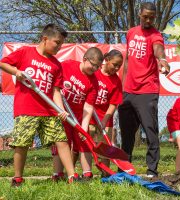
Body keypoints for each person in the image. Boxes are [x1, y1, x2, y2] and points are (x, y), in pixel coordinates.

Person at [0, 23, 79, 186]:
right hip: (26, 109)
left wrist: (61, 110)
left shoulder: (56, 65)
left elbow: (56, 91)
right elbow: (3, 63)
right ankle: (17, 178)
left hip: (49, 110)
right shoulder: (25, 53)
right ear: (45, 39)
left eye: (61, 44)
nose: (59, 46)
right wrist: (17, 72)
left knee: (62, 140)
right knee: (22, 143)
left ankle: (73, 177)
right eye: (57, 42)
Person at [118, 2, 170, 178]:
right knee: (126, 134)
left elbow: (158, 49)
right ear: (139, 14)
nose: (148, 20)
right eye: (145, 16)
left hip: (147, 90)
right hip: (128, 91)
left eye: (152, 17)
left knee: (150, 131)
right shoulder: (131, 32)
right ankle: (124, 168)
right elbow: (127, 60)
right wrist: (123, 87)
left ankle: (151, 170)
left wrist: (162, 60)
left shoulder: (156, 35)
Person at [51, 47, 102, 181]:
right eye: (93, 64)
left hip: (78, 116)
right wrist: (60, 108)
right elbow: (55, 85)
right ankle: (57, 174)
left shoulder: (94, 82)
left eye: (98, 66)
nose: (95, 68)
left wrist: (84, 127)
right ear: (85, 59)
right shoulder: (67, 66)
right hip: (61, 113)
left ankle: (87, 174)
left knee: (84, 142)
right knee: (62, 142)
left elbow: (89, 105)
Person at [89, 49, 123, 176]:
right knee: (86, 146)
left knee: (105, 149)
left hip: (105, 119)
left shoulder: (116, 81)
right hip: (90, 116)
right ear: (107, 60)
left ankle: (105, 174)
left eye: (119, 66)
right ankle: (86, 172)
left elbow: (113, 104)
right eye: (115, 64)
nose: (117, 68)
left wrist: (104, 120)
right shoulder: (94, 73)